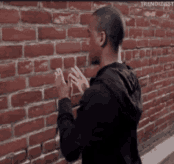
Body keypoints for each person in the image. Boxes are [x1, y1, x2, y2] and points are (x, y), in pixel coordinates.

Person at [55, 5, 143, 164]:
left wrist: (64, 99)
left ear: (101, 38)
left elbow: (70, 150)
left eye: (89, 35)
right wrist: (88, 91)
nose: (87, 43)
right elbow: (111, 121)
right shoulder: (131, 77)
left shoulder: (99, 93)